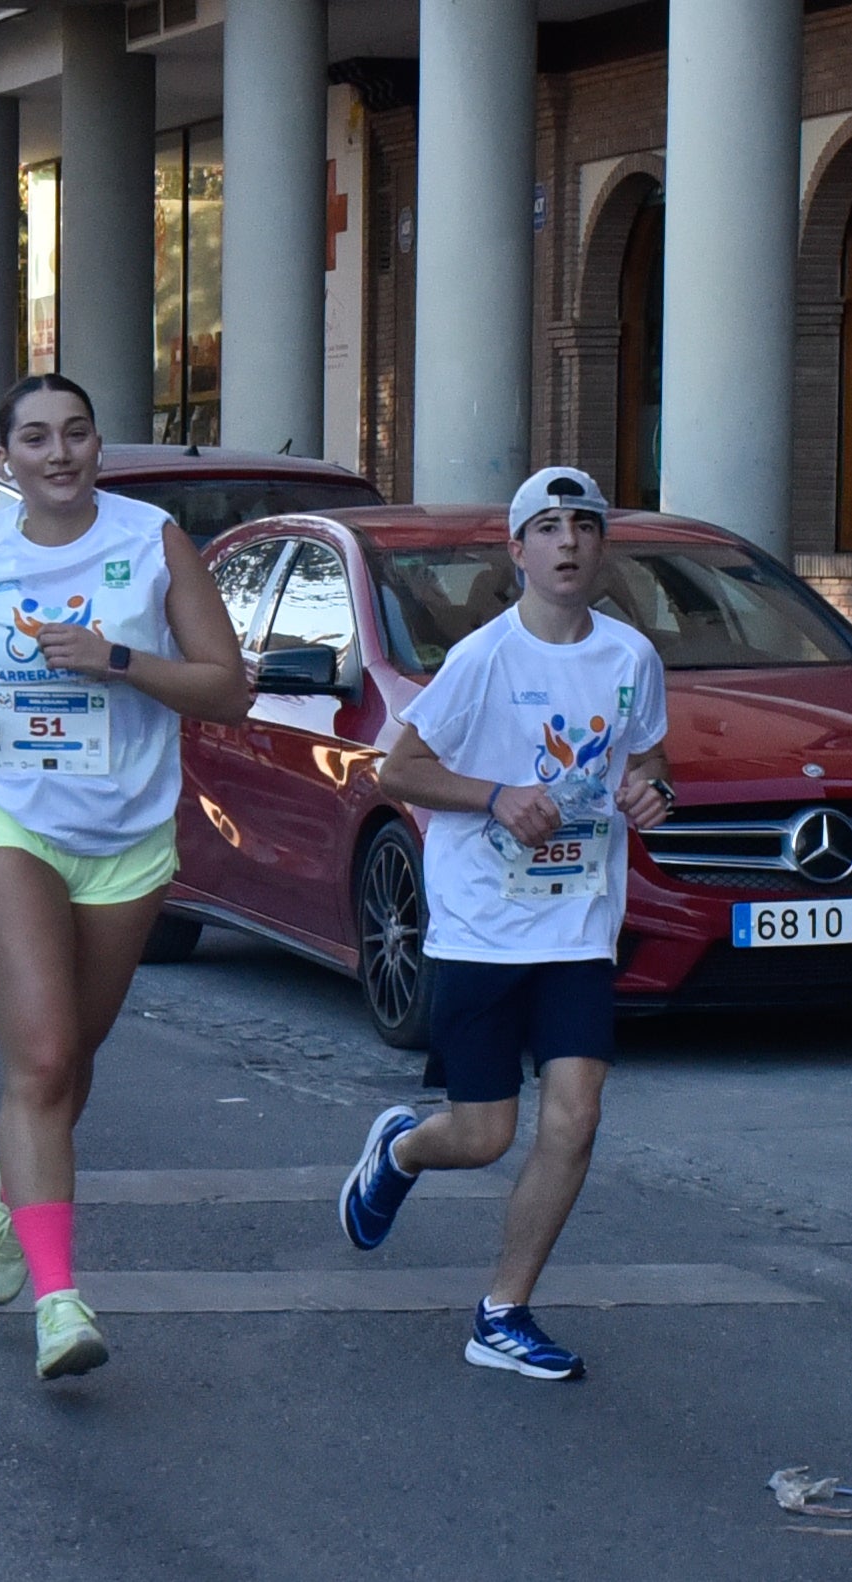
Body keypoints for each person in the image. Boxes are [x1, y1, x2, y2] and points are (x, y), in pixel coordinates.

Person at [0, 374, 250, 1380]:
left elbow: (224, 687)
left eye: (76, 434)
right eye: (36, 437)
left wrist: (118, 659)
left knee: (69, 1058)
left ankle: (12, 1187)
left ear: (99, 446)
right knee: (43, 1052)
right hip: (1, 811)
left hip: (126, 829)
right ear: (4, 456)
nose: (58, 453)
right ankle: (59, 1301)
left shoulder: (151, 540)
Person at [339, 467, 672, 1382]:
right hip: (481, 929)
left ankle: (502, 1312)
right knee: (482, 1134)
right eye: (548, 527)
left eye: (584, 527)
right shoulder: (483, 658)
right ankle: (401, 1147)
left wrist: (652, 791)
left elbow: (647, 755)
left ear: (602, 549)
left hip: (575, 927)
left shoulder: (629, 657)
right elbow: (395, 771)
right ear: (517, 551)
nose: (568, 542)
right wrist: (495, 795)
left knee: (576, 1116)